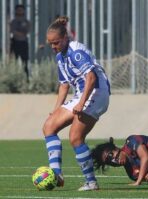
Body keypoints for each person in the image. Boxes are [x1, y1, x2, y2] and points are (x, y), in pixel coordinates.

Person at [43, 16, 110, 191]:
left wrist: (80, 103)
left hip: (97, 93)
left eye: (56, 42)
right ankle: (56, 174)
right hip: (82, 94)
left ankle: (91, 182)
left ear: (65, 37)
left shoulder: (75, 52)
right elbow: (64, 85)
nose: (53, 47)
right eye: (50, 43)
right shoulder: (60, 57)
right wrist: (56, 110)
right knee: (49, 125)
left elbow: (91, 77)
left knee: (75, 137)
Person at [10, 4, 30, 82]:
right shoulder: (13, 21)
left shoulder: (26, 21)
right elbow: (12, 31)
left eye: (21, 10)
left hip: (23, 43)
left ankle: (26, 80)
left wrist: (18, 32)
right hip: (15, 43)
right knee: (14, 62)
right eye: (18, 10)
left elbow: (27, 30)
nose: (19, 11)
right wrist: (19, 33)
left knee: (24, 62)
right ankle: (14, 80)